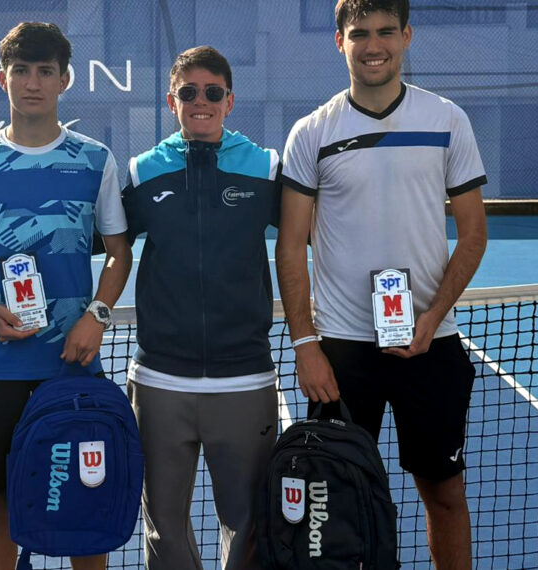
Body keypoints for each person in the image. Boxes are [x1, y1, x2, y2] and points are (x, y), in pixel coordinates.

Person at [275, 1, 488, 568]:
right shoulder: (312, 132)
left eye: (386, 32)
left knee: (444, 496)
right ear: (339, 42)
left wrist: (430, 318)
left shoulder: (447, 120)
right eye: (360, 33)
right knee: (334, 499)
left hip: (431, 346)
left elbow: (472, 236)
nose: (374, 45)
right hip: (342, 353)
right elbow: (290, 246)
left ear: (407, 36)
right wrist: (306, 346)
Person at [0, 22, 131, 570]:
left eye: (45, 71)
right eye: (21, 71)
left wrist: (98, 318)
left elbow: (119, 252)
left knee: (83, 503)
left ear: (65, 80)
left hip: (74, 368)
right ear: (3, 79)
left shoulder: (96, 161)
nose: (33, 83)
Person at [120, 46, 280, 570]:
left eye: (213, 92)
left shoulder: (265, 168)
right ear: (172, 100)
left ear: (230, 101)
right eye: (189, 93)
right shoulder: (143, 172)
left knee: (250, 521)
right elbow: (99, 243)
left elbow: (321, 235)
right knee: (163, 525)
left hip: (246, 379)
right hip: (161, 380)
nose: (201, 102)